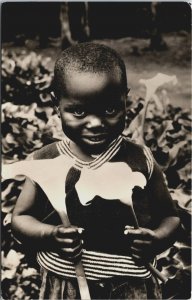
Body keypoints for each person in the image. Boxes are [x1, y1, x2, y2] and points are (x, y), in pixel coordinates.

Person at [9, 43, 179, 299]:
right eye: (78, 111)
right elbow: (20, 218)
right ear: (56, 104)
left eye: (110, 110)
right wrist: (51, 235)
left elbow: (170, 217)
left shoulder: (140, 159)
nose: (96, 123)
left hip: (130, 286)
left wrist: (156, 238)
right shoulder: (44, 160)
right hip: (66, 285)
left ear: (126, 100)